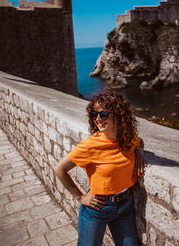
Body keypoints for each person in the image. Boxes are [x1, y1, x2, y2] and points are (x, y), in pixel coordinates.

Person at [55, 92, 146, 246]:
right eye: (94, 114)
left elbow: (139, 141)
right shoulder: (89, 145)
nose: (98, 119)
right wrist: (80, 197)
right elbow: (60, 169)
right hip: (98, 208)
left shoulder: (128, 138)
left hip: (125, 206)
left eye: (103, 114)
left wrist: (139, 152)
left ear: (117, 116)